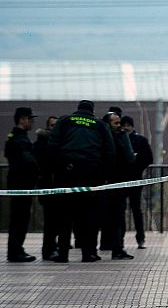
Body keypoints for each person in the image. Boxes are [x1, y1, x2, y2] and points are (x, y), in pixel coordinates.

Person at [48, 100, 116, 263]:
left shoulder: (65, 121)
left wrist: (57, 170)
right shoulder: (100, 125)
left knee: (65, 216)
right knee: (90, 216)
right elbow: (110, 151)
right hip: (92, 176)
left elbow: (52, 145)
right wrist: (103, 175)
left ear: (77, 110)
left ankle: (63, 253)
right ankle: (89, 253)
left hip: (67, 174)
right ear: (92, 111)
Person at [5, 107, 40, 262]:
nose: (32, 121)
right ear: (22, 119)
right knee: (20, 218)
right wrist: (36, 169)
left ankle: (17, 249)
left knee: (19, 218)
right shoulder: (19, 138)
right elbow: (27, 161)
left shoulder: (15, 136)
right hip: (21, 184)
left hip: (18, 183)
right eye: (30, 118)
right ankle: (15, 251)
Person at [101, 112, 135, 260]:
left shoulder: (117, 136)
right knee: (113, 218)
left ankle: (117, 247)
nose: (119, 125)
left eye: (119, 122)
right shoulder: (114, 138)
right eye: (115, 123)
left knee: (117, 218)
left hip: (117, 183)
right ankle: (114, 248)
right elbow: (129, 156)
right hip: (110, 183)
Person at [121, 115, 153, 249]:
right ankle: (120, 239)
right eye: (124, 125)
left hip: (134, 179)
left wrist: (137, 166)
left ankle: (140, 238)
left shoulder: (140, 140)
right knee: (122, 210)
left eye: (128, 125)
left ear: (132, 126)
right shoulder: (120, 139)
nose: (126, 128)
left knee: (136, 210)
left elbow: (148, 158)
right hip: (123, 180)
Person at [34, 115, 61, 260]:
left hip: (56, 187)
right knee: (50, 221)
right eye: (52, 126)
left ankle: (52, 247)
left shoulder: (56, 143)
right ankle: (49, 249)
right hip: (48, 187)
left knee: (55, 221)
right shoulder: (42, 144)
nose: (54, 128)